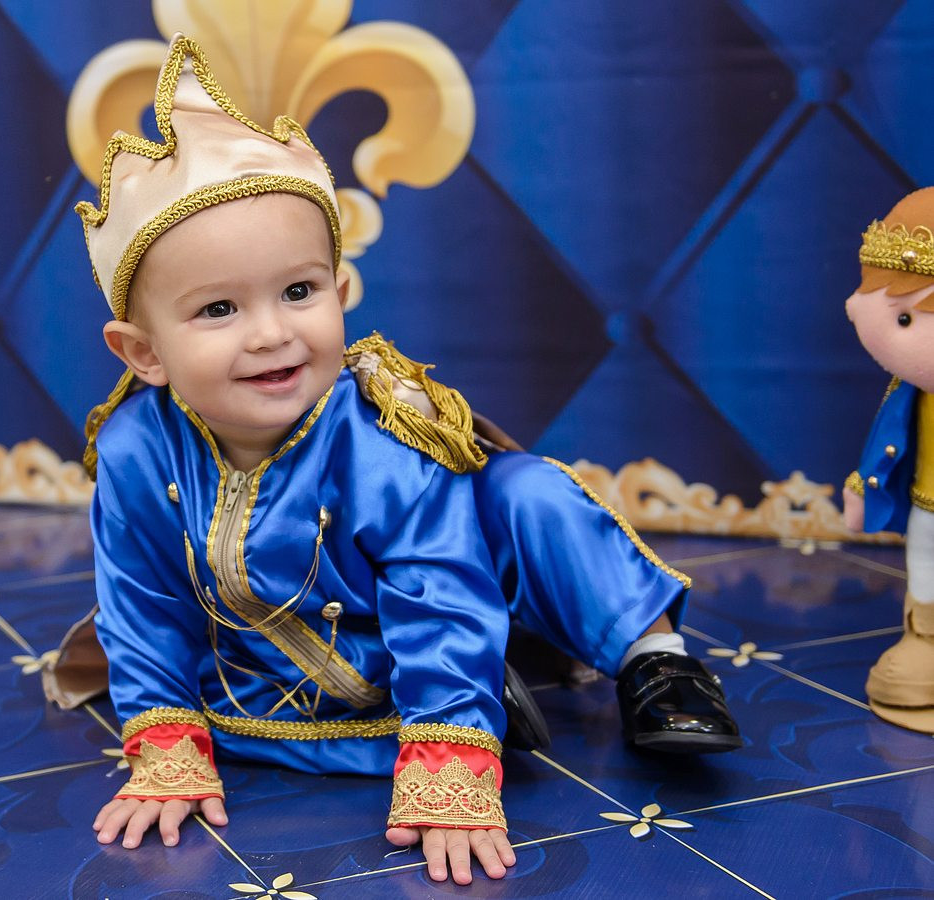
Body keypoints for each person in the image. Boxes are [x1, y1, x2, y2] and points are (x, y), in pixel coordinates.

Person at [47, 34, 741, 886]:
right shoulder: (133, 447)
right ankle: (455, 696)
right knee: (248, 713)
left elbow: (437, 588)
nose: (271, 333)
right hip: (275, 670)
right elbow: (141, 599)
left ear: (339, 293)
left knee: (528, 497)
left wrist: (450, 759)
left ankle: (651, 658)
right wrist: (163, 738)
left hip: (443, 601)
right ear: (142, 352)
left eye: (298, 292)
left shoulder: (383, 436)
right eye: (218, 309)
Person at [843, 187, 934, 734]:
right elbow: (885, 445)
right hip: (929, 507)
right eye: (903, 319)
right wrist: (861, 489)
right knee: (927, 569)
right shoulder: (909, 396)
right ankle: (926, 638)